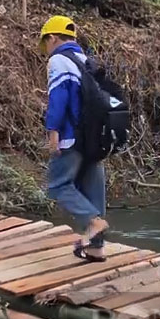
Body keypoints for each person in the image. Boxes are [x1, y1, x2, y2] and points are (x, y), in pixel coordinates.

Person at [39, 15, 109, 261]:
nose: (46, 49)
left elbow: (59, 96)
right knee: (93, 189)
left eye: (45, 42)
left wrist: (53, 131)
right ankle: (96, 249)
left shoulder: (58, 60)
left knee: (58, 185)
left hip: (72, 136)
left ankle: (92, 223)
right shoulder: (86, 60)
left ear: (53, 38)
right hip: (95, 137)